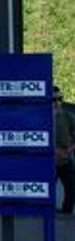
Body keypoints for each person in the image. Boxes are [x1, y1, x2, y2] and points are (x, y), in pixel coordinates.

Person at [55, 86, 75, 215]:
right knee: (45, 190)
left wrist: (70, 149)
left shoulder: (68, 116)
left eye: (60, 99)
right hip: (48, 160)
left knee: (71, 189)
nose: (57, 102)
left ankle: (66, 215)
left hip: (66, 159)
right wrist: (55, 151)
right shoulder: (40, 118)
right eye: (53, 100)